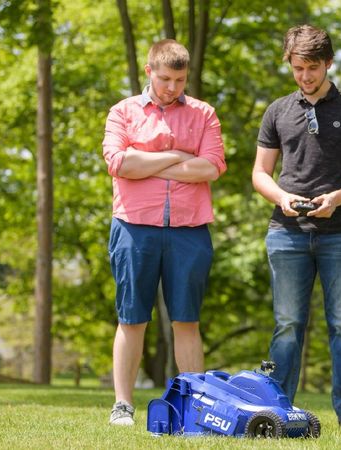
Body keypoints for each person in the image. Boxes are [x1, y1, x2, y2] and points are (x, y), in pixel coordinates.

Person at [252, 24, 341, 430]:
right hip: (286, 232)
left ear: (328, 63)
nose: (305, 76)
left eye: (312, 67)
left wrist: (336, 199)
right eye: (297, 68)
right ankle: (278, 409)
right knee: (287, 324)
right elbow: (260, 173)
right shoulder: (277, 111)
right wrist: (281, 199)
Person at [102, 39, 226, 426]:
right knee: (131, 318)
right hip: (133, 227)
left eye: (180, 79)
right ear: (148, 71)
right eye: (166, 78)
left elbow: (211, 167)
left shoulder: (204, 114)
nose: (172, 87)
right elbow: (119, 162)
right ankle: (123, 404)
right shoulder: (123, 112)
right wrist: (177, 157)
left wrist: (148, 164)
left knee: (187, 320)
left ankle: (195, 405)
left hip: (190, 229)